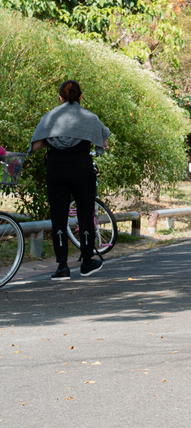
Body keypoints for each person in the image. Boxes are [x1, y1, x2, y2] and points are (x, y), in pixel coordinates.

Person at [30, 80, 111, 280]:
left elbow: (37, 145)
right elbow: (105, 141)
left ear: (60, 97)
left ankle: (62, 267)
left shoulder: (51, 116)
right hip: (82, 168)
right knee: (85, 214)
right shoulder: (89, 118)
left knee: (59, 216)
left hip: (56, 168)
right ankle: (86, 262)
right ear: (81, 96)